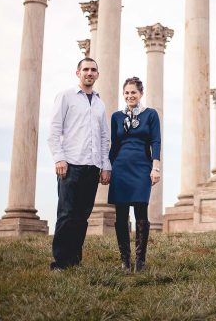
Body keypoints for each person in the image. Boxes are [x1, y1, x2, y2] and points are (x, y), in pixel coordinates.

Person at [47, 57, 111, 271]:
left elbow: (104, 137)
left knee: (82, 216)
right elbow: (54, 131)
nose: (89, 73)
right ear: (78, 73)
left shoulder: (100, 103)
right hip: (70, 163)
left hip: (92, 166)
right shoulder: (65, 96)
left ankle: (75, 259)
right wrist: (59, 158)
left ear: (97, 75)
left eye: (93, 70)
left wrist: (105, 166)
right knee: (66, 213)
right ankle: (60, 261)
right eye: (85, 69)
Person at [108, 76, 161, 271]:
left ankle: (140, 261)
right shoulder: (116, 117)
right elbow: (114, 145)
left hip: (141, 167)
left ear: (141, 94)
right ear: (123, 94)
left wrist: (155, 167)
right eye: (127, 93)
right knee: (120, 215)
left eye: (134, 92)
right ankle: (125, 260)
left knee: (141, 212)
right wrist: (107, 168)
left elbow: (156, 141)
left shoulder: (151, 114)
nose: (130, 96)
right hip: (120, 168)